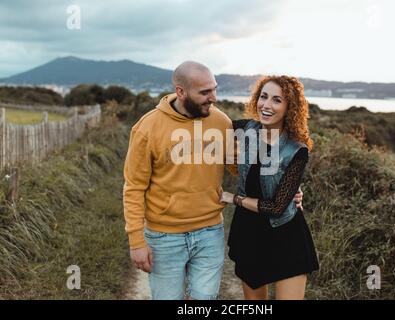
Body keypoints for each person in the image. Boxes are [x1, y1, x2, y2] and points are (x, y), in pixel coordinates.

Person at [123, 61, 304, 300]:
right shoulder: (147, 128)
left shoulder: (221, 122)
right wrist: (136, 240)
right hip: (164, 235)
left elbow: (241, 167)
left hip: (209, 232)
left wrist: (288, 186)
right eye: (205, 92)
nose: (214, 97)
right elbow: (134, 187)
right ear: (181, 92)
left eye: (215, 89)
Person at [220, 75, 319, 300]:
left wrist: (233, 198)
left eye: (277, 100)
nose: (266, 105)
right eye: (263, 97)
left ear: (289, 107)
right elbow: (211, 122)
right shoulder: (246, 129)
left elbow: (276, 208)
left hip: (286, 235)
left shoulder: (297, 150)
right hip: (249, 234)